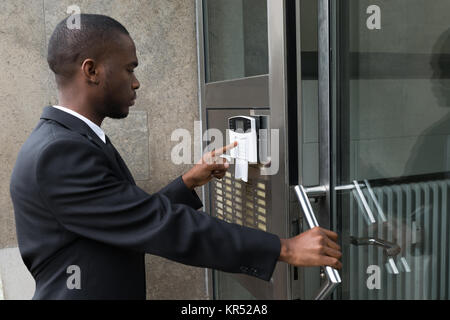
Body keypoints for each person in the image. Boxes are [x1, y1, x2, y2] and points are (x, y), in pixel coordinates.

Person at [9, 14, 341, 300]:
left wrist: (187, 182)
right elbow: (158, 225)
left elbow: (127, 218)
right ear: (92, 70)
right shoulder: (60, 153)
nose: (136, 82)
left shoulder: (69, 141)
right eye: (129, 69)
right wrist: (284, 248)